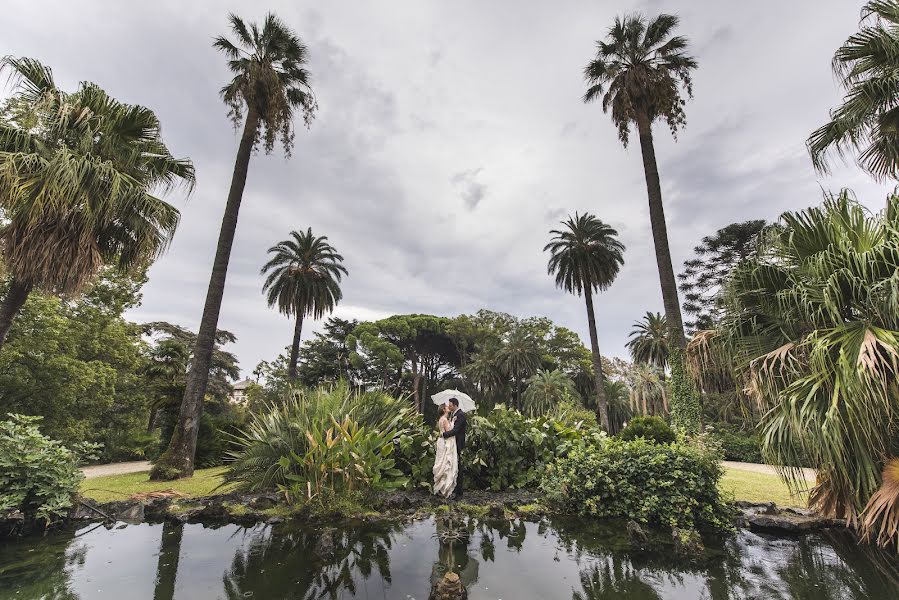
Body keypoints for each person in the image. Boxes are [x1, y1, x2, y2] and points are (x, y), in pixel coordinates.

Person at [441, 397, 467, 499]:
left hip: (458, 443)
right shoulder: (455, 415)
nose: (449, 406)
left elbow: (456, 430)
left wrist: (444, 434)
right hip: (453, 443)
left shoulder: (460, 415)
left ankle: (459, 491)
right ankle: (455, 488)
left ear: (455, 405)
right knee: (454, 465)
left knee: (458, 466)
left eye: (450, 405)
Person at [433, 403, 458, 498]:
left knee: (441, 461)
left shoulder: (441, 419)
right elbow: (448, 431)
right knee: (445, 463)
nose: (449, 408)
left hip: (440, 441)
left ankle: (441, 487)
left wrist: (451, 421)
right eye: (447, 407)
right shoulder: (444, 419)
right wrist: (453, 422)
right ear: (444, 410)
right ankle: (445, 489)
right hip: (445, 442)